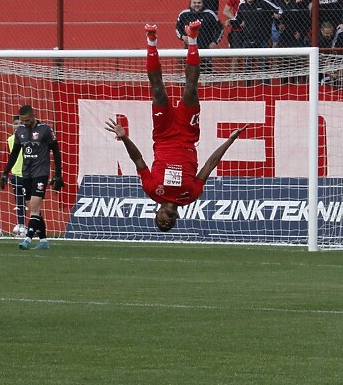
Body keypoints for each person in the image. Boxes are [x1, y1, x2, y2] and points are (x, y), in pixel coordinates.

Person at [104, 22, 246, 232]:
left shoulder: (153, 190)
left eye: (161, 221)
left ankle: (151, 42)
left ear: (157, 212)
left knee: (158, 91)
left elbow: (138, 160)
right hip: (188, 135)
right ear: (176, 218)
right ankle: (193, 38)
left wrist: (124, 137)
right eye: (169, 224)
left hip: (163, 135)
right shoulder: (190, 196)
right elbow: (209, 166)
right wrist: (230, 140)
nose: (166, 221)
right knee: (191, 90)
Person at [0, 105, 63, 250]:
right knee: (32, 208)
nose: (25, 123)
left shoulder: (45, 130)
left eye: (27, 120)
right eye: (23, 120)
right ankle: (44, 241)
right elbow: (14, 153)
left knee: (34, 207)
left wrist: (57, 174)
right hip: (26, 174)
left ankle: (27, 240)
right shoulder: (20, 131)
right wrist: (5, 172)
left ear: (33, 116)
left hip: (41, 173)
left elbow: (56, 152)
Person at [175, 0, 224, 71]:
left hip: (205, 49)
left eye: (199, 3)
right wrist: (182, 37)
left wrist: (215, 42)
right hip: (189, 49)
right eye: (194, 3)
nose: (196, 5)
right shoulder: (184, 14)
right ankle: (181, 82)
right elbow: (177, 28)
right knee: (188, 71)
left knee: (206, 75)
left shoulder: (209, 14)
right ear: (190, 3)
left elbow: (220, 29)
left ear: (202, 3)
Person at [6, 115, 26, 235]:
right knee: (19, 203)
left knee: (31, 202)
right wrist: (7, 174)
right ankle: (21, 226)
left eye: (20, 123)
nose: (17, 126)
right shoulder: (10, 140)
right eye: (15, 123)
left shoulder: (29, 139)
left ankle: (36, 227)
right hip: (16, 175)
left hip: (28, 175)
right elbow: (7, 157)